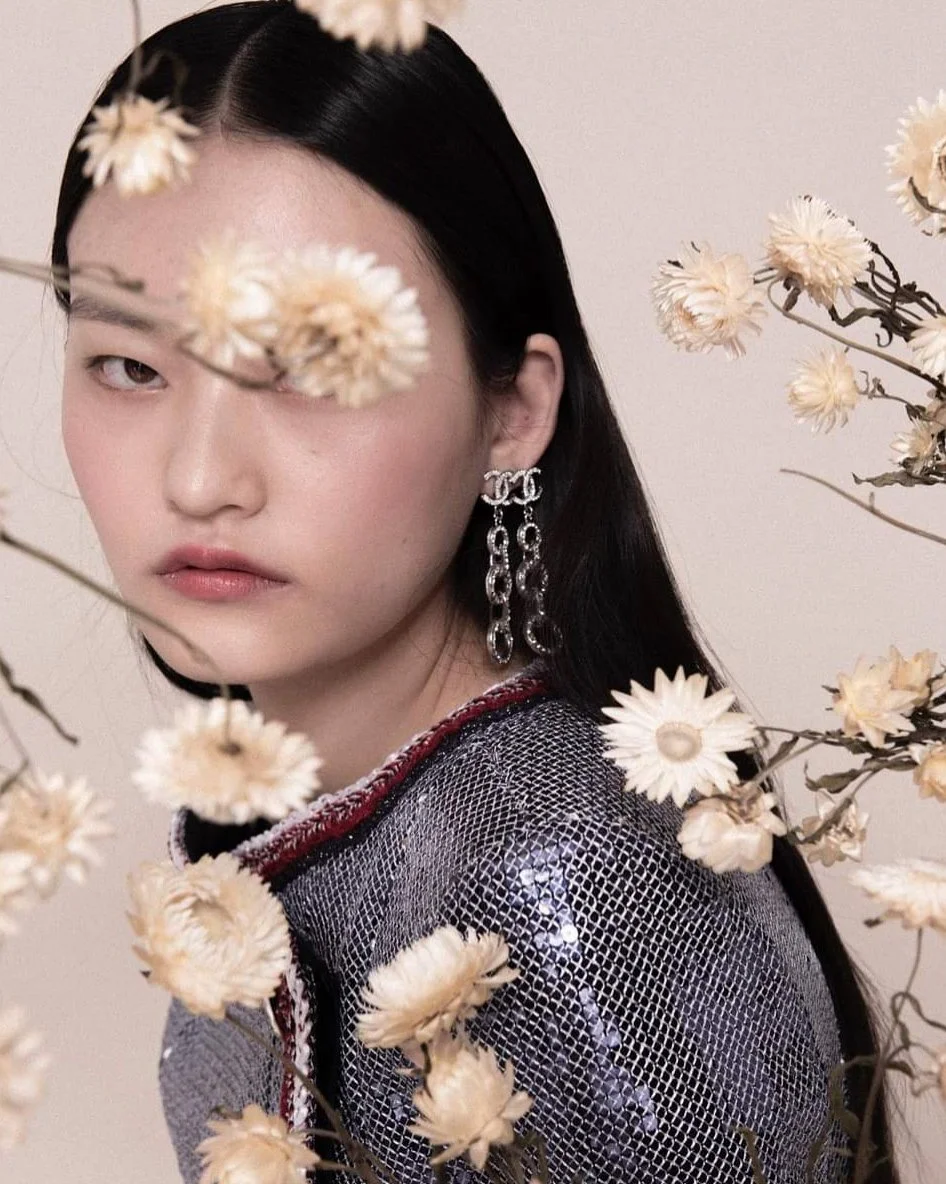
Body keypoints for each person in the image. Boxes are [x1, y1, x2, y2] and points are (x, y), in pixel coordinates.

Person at [50, 2, 903, 1181]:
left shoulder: (569, 876)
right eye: (128, 365)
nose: (198, 478)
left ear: (512, 410)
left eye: (315, 369)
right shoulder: (338, 814)